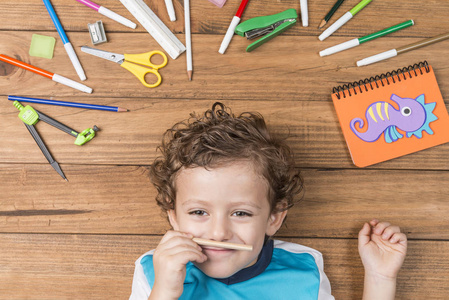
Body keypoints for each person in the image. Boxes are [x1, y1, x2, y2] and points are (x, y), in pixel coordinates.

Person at [130, 102, 407, 300]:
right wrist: (164, 293)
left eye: (240, 214)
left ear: (274, 217)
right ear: (173, 215)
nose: (218, 233)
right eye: (199, 211)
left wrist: (380, 278)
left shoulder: (303, 272)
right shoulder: (155, 271)